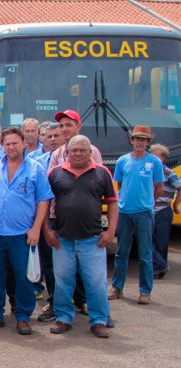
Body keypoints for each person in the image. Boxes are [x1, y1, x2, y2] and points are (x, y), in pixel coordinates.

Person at [0, 127, 53, 335]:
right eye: (7, 144)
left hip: (22, 235)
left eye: (14, 143)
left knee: (23, 277)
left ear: (23, 143)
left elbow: (44, 200)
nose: (11, 147)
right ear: (3, 145)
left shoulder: (35, 169)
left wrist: (36, 229)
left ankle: (22, 316)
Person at [44, 135, 117, 338]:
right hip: (62, 240)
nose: (77, 153)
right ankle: (63, 318)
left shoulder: (102, 173)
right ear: (67, 152)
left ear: (89, 152)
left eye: (82, 150)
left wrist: (110, 231)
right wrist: (47, 231)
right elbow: (43, 203)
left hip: (92, 240)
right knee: (63, 281)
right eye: (73, 150)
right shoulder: (55, 173)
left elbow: (112, 202)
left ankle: (99, 320)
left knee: (95, 282)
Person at [109, 125, 164, 305]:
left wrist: (147, 202)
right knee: (121, 252)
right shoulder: (123, 161)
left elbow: (159, 188)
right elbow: (119, 185)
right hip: (124, 212)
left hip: (144, 213)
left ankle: (145, 291)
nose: (140, 142)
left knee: (145, 254)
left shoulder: (154, 162)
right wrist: (124, 201)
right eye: (137, 139)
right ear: (132, 140)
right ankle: (117, 287)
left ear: (148, 143)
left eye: (144, 140)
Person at [34, 122, 65, 322]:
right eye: (48, 136)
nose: (52, 139)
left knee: (68, 264)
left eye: (56, 135)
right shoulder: (36, 163)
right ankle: (53, 301)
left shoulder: (71, 159)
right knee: (49, 265)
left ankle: (75, 301)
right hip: (46, 219)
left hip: (68, 220)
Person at [149, 143, 181, 279]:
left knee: (161, 241)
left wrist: (176, 205)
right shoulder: (147, 171)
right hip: (148, 210)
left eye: (156, 157)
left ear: (163, 159)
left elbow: (180, 187)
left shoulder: (168, 172)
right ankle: (160, 265)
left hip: (162, 210)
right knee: (146, 240)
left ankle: (159, 269)